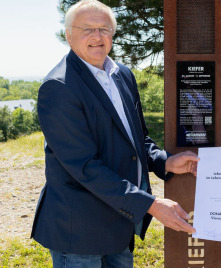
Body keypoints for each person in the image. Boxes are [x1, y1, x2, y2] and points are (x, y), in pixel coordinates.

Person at [31, 0, 199, 267]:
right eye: (87, 28)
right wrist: (151, 205)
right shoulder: (59, 87)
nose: (97, 36)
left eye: (104, 28)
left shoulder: (122, 75)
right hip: (79, 232)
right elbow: (84, 166)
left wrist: (163, 161)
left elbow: (137, 138)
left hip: (118, 225)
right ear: (68, 34)